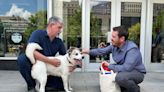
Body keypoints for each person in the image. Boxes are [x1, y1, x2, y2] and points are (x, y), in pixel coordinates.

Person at [17, 16, 76, 92]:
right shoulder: (38, 33)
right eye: (59, 27)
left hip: (48, 68)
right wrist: (50, 61)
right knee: (22, 59)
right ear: (51, 25)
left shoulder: (59, 41)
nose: (60, 30)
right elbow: (32, 51)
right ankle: (31, 86)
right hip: (35, 64)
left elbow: (66, 57)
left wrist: (72, 65)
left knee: (59, 85)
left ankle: (45, 83)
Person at [82, 26, 146, 92]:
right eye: (111, 36)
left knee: (120, 78)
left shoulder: (132, 49)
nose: (111, 38)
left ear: (122, 39)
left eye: (114, 37)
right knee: (110, 71)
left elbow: (126, 68)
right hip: (124, 70)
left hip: (136, 72)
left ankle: (135, 89)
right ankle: (124, 87)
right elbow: (101, 51)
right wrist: (87, 51)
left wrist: (109, 66)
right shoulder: (114, 46)